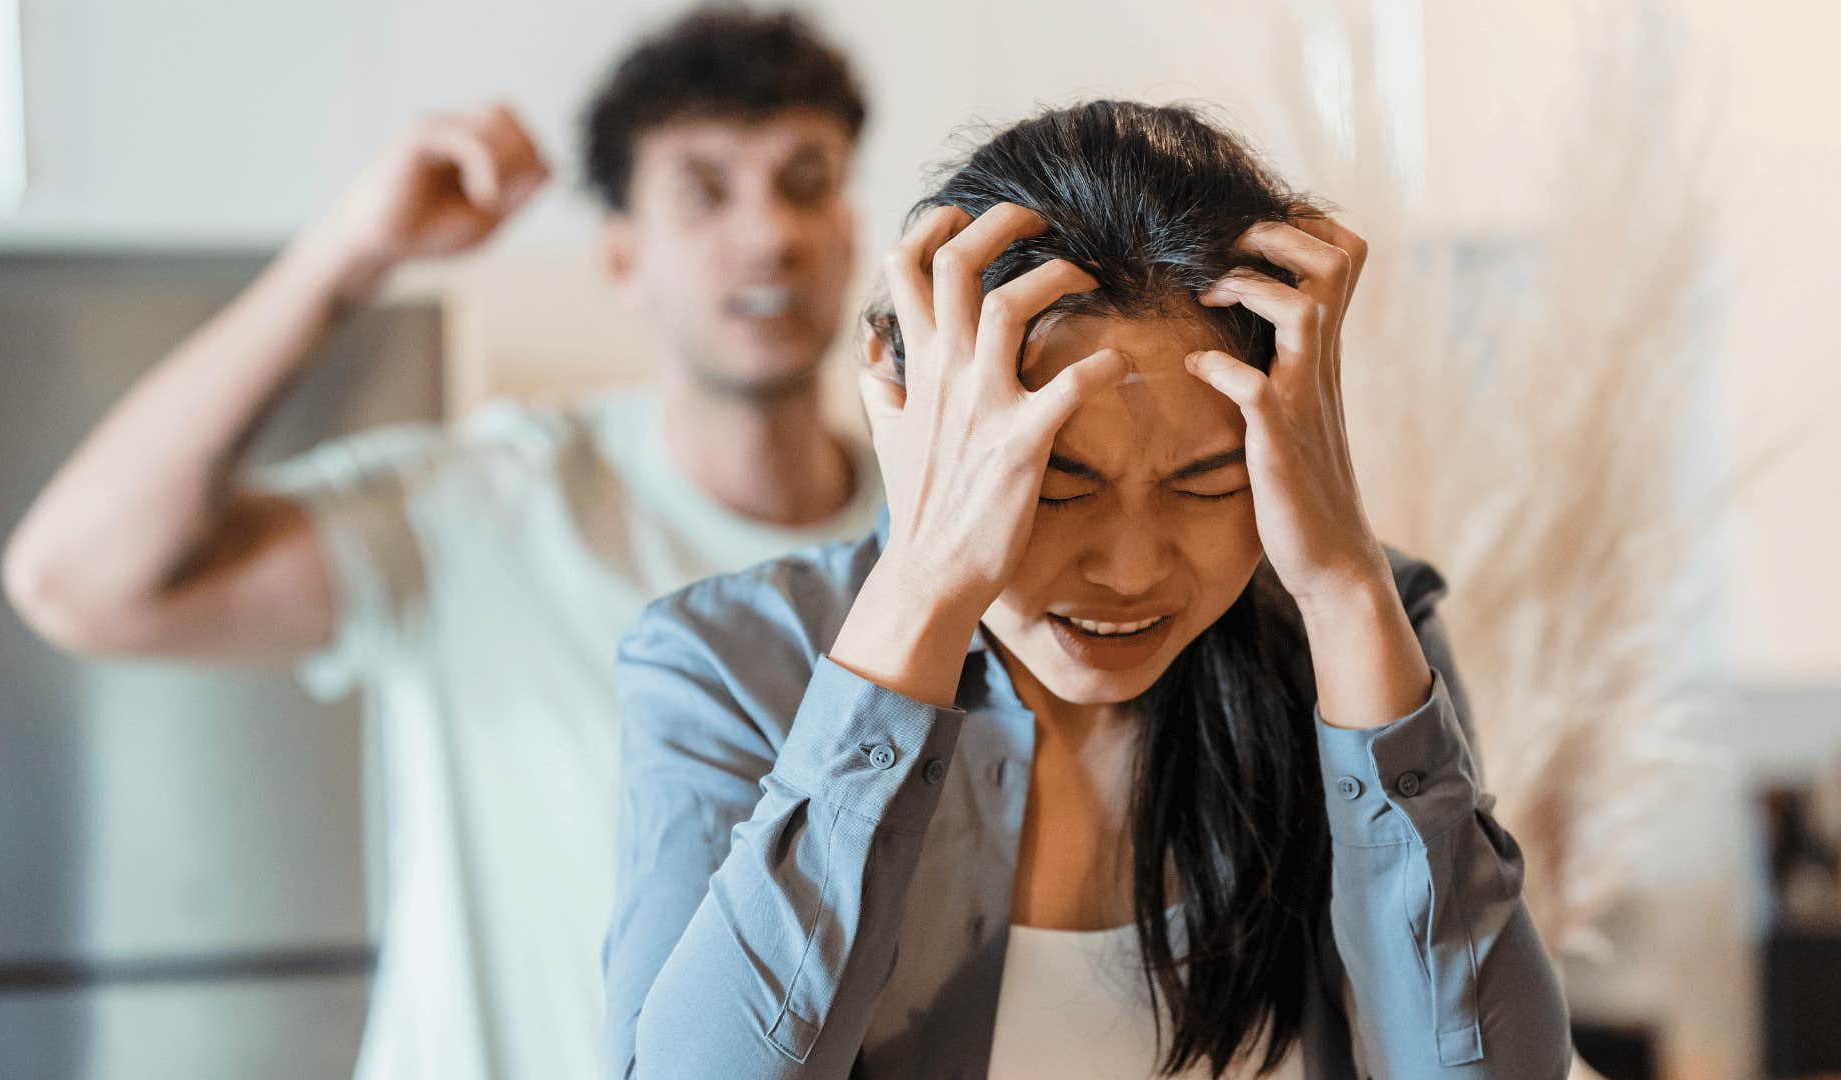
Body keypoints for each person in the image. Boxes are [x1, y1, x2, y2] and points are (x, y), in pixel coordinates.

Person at [604, 101, 1572, 1078]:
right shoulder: (725, 666)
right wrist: (928, 587)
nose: (1131, 567)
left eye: (1207, 483)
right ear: (913, 417)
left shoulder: (1356, 637)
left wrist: (1344, 588)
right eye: (1057, 484)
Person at [1, 9, 879, 1078]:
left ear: (849, 228)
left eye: (806, 180)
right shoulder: (490, 507)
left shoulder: (930, 544)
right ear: (621, 257)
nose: (769, 234)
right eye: (704, 190)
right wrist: (353, 253)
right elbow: (75, 580)